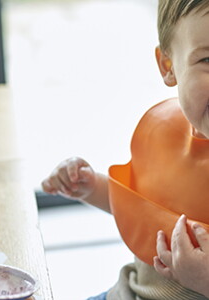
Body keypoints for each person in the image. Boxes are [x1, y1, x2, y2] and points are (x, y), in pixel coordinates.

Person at [42, 0, 209, 299]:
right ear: (168, 66)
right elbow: (143, 208)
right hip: (126, 292)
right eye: (208, 60)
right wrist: (90, 186)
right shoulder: (166, 134)